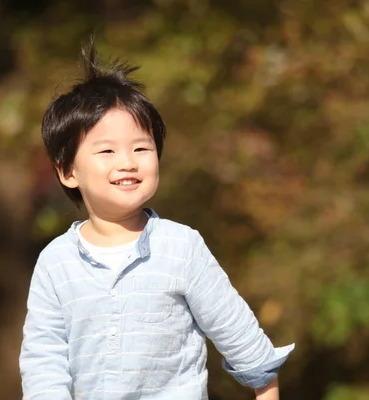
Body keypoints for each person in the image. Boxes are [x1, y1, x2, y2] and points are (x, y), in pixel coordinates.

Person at [19, 38, 294, 400]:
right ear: (68, 171)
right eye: (107, 150)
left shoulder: (181, 248)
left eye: (141, 148)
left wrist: (266, 390)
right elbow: (43, 362)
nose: (128, 162)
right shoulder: (56, 263)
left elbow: (241, 338)